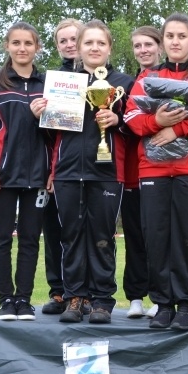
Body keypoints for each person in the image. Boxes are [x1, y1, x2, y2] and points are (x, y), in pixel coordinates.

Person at [125, 13, 188, 329]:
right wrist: (156, 121)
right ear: (163, 41)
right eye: (170, 36)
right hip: (152, 170)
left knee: (186, 237)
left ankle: (185, 305)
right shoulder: (148, 77)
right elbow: (130, 117)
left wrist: (177, 129)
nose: (175, 42)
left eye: (182, 36)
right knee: (155, 237)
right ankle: (163, 304)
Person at [46, 19, 134, 324]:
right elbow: (51, 133)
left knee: (102, 237)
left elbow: (137, 125)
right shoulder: (64, 82)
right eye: (88, 43)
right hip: (68, 171)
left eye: (100, 43)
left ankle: (102, 301)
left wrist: (118, 121)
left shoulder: (124, 83)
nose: (94, 48)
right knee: (70, 236)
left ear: (109, 48)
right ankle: (74, 297)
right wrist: (40, 114)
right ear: (79, 47)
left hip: (108, 171)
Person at [0, 22, 49, 321]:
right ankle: (6, 299)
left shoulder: (48, 83)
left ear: (37, 47)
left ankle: (24, 300)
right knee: (1, 238)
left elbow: (59, 133)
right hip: (1, 176)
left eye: (28, 43)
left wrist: (53, 170)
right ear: (7, 46)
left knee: (30, 239)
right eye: (16, 42)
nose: (22, 48)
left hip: (39, 175)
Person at [41, 18, 83, 315]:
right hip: (60, 168)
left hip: (95, 169)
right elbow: (50, 134)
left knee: (89, 235)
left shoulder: (102, 77)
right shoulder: (52, 81)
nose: (70, 45)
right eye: (63, 40)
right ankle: (58, 291)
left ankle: (87, 293)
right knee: (56, 232)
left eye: (74, 39)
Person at [121, 26, 163, 319]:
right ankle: (135, 297)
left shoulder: (172, 78)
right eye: (137, 46)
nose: (143, 50)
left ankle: (161, 296)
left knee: (159, 237)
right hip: (131, 171)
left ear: (159, 46)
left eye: (148, 44)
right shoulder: (126, 84)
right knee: (134, 236)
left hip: (161, 170)